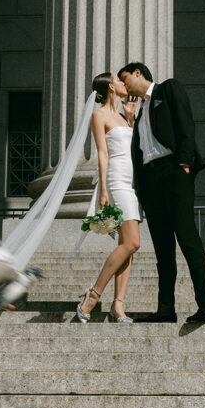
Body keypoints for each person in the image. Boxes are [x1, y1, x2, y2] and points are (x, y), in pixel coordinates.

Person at [118, 62, 205, 324]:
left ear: (138, 73)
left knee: (186, 237)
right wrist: (130, 120)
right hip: (151, 180)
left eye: (125, 78)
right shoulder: (139, 112)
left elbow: (185, 121)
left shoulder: (167, 89)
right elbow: (143, 148)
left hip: (174, 171)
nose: (124, 84)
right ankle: (166, 310)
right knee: (163, 249)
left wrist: (185, 162)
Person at [75, 72, 142, 323]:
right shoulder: (99, 115)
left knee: (128, 247)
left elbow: (133, 148)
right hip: (116, 180)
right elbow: (103, 154)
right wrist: (103, 189)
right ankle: (93, 295)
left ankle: (118, 306)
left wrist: (132, 120)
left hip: (132, 183)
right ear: (112, 87)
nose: (126, 84)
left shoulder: (124, 116)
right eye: (121, 80)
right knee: (132, 243)